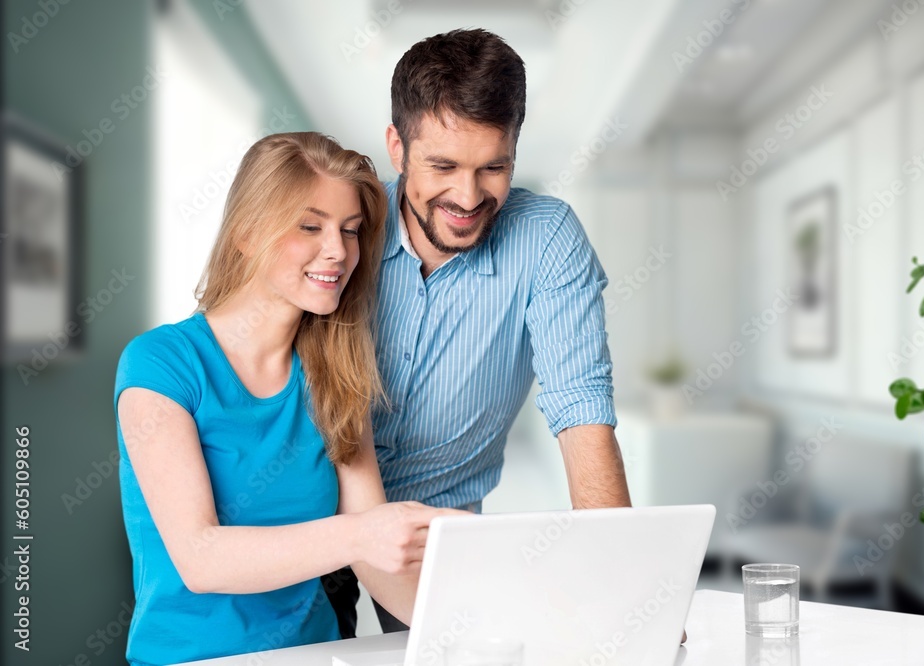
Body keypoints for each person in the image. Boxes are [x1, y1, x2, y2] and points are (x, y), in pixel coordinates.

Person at [324, 28, 633, 636]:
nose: (467, 197)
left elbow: (582, 410)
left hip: (437, 532)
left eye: (493, 167)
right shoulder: (345, 228)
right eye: (443, 165)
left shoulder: (546, 239)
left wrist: (622, 590)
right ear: (397, 146)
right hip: (312, 507)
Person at [114, 132, 461, 666]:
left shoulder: (337, 376)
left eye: (351, 230)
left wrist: (478, 615)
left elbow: (376, 566)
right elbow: (201, 558)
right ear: (247, 233)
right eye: (310, 226)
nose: (339, 251)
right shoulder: (160, 364)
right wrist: (363, 535)